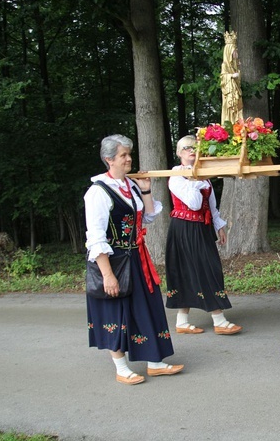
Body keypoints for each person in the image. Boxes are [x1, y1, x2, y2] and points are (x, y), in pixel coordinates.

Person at [84, 134, 183, 386]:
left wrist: (147, 189)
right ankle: (121, 367)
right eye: (123, 155)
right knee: (115, 309)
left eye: (129, 154)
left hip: (137, 257)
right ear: (109, 160)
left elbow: (147, 218)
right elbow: (95, 237)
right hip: (113, 259)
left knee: (145, 307)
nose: (129, 159)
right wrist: (107, 274)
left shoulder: (130, 185)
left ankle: (155, 361)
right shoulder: (98, 192)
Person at [164, 135, 242, 335]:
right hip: (184, 228)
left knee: (201, 269)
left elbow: (212, 206)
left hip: (201, 228)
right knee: (201, 269)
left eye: (195, 148)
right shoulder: (176, 175)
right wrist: (194, 181)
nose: (192, 151)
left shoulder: (203, 176)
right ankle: (219, 319)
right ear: (180, 153)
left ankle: (182, 322)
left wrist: (219, 226)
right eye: (188, 148)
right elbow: (194, 204)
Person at [220, 31, 243, 126]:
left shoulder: (236, 66)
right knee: (230, 107)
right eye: (234, 51)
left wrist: (238, 74)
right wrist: (231, 76)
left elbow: (238, 81)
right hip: (229, 92)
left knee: (237, 108)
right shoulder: (225, 65)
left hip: (236, 91)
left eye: (236, 51)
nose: (236, 53)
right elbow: (222, 77)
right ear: (229, 51)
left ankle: (237, 124)